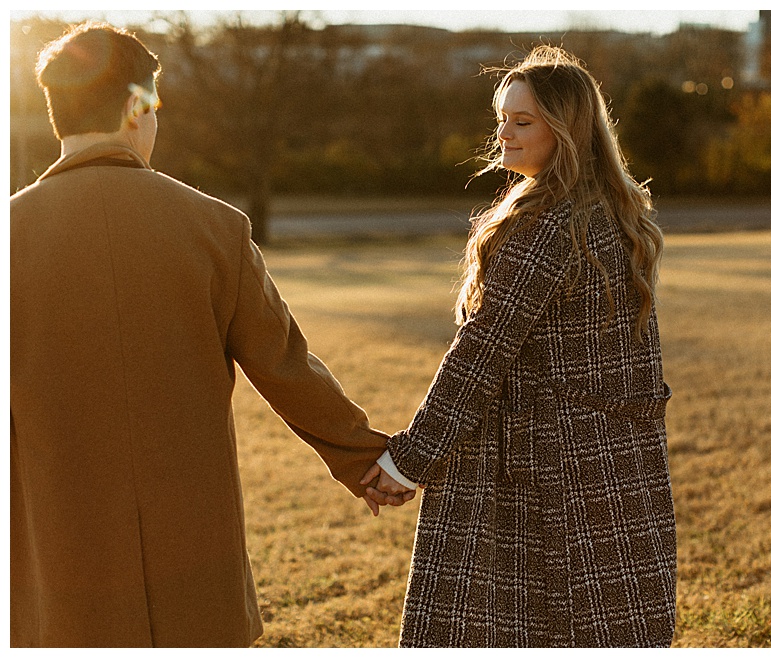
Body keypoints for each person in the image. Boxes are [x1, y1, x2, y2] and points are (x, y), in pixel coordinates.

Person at [10, 22, 412, 648]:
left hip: (54, 552)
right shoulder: (214, 227)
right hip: (190, 555)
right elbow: (285, 366)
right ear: (136, 107)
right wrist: (364, 458)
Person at [361, 46, 675, 647]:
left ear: (567, 129)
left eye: (522, 121)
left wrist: (408, 459)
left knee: (523, 627)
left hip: (542, 466)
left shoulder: (551, 223)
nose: (502, 132)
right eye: (502, 117)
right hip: (610, 465)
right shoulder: (611, 212)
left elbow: (482, 350)